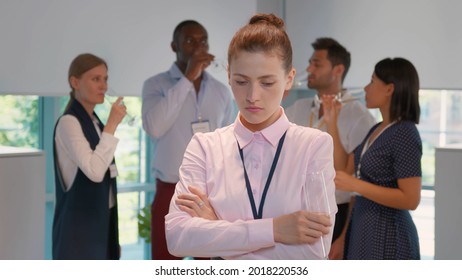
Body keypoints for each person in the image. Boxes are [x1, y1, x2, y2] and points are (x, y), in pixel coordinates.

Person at [165, 13, 337, 260]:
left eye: (267, 83)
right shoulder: (204, 146)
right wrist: (276, 230)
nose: (252, 96)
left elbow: (315, 252)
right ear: (228, 76)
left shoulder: (313, 145)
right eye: (241, 81)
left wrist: (217, 230)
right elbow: (178, 238)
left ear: (289, 79)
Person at [142, 20, 235, 260]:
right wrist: (187, 79)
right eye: (190, 41)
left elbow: (228, 142)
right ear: (175, 46)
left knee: (207, 262)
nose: (198, 47)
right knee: (165, 262)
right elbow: (154, 127)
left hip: (209, 191)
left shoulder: (222, 91)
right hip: (170, 188)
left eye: (203, 40)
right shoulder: (155, 85)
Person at [285, 38, 376, 259]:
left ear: (338, 70)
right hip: (293, 210)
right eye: (310, 63)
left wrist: (344, 236)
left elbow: (356, 183)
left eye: (317, 64)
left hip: (335, 214)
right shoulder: (297, 108)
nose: (308, 69)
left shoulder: (359, 116)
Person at [334, 57, 422, 259]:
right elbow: (347, 175)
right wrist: (343, 237)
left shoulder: (405, 132)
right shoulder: (376, 129)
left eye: (372, 81)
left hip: (388, 232)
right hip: (361, 228)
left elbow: (411, 199)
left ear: (390, 89)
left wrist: (355, 185)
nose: (365, 88)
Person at [52, 53, 126, 259]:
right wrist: (112, 125)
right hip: (79, 232)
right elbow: (95, 172)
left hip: (102, 223)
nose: (103, 86)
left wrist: (112, 237)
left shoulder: (95, 121)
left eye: (105, 79)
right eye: (96, 79)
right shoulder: (69, 122)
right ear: (75, 82)